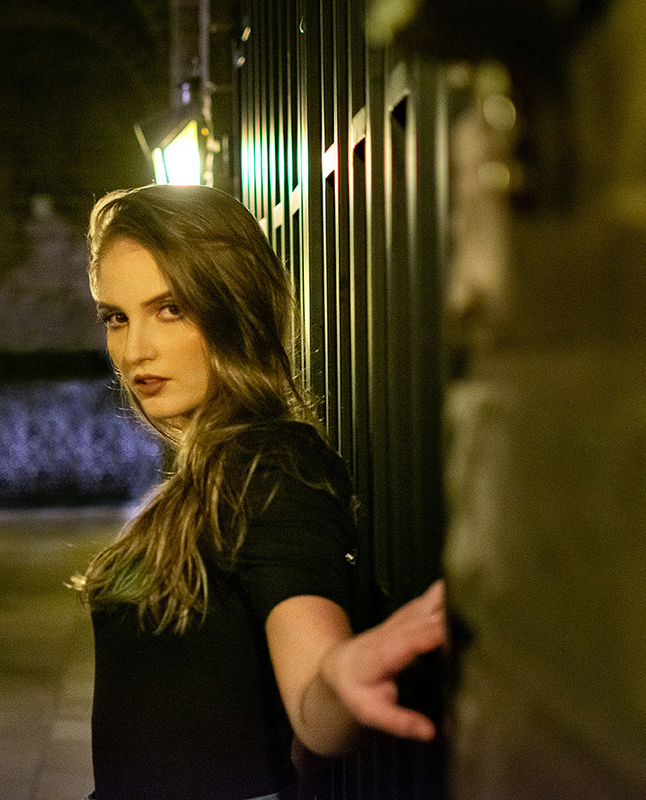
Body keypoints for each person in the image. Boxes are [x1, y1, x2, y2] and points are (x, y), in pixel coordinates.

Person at [72, 183, 446, 800]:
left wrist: (341, 678)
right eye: (117, 317)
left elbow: (313, 702)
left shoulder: (270, 465)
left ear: (234, 307)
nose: (134, 350)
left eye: (171, 309)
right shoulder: (212, 469)